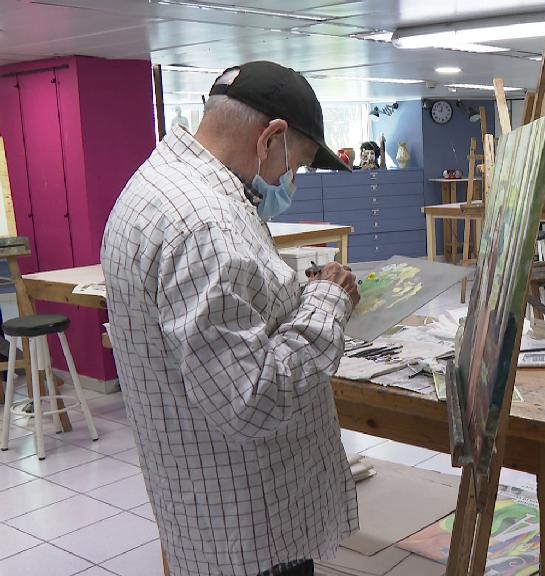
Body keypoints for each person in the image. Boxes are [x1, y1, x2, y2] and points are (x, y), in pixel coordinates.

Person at [102, 61, 359, 576]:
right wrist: (327, 302)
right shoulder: (206, 224)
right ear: (272, 139)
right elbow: (252, 402)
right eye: (298, 164)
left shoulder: (159, 184)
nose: (291, 181)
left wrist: (286, 299)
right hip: (249, 524)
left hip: (199, 499)